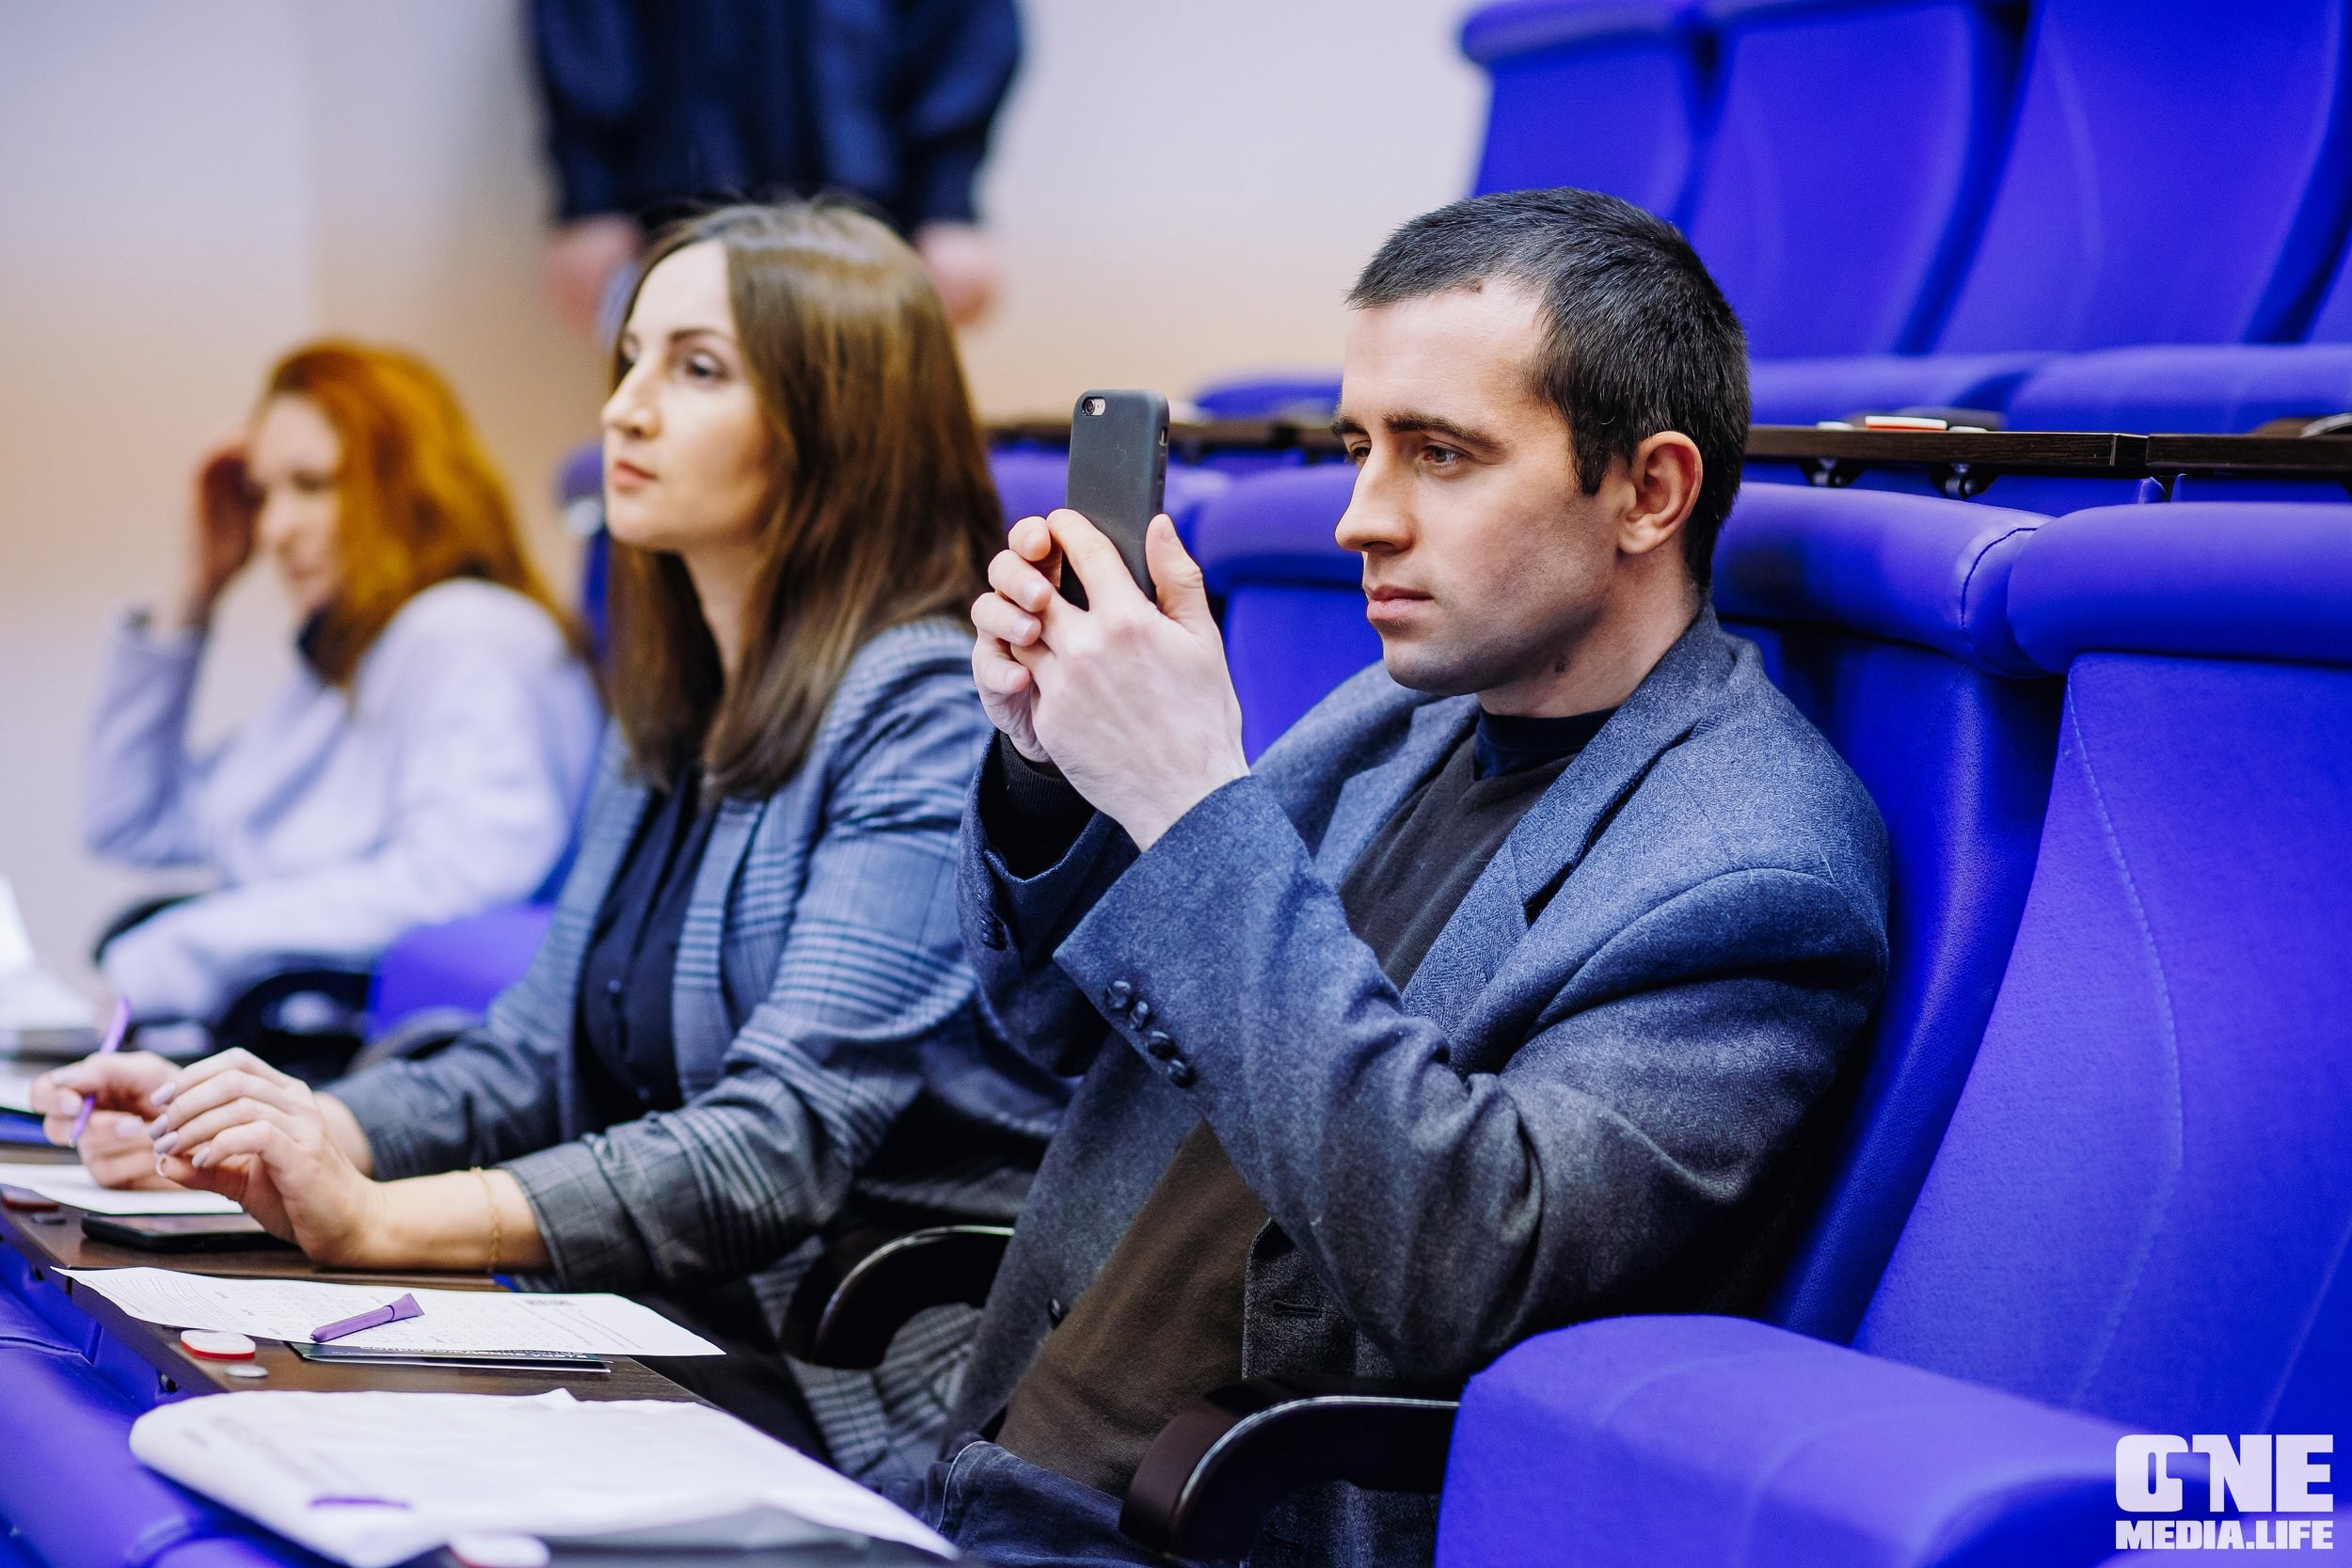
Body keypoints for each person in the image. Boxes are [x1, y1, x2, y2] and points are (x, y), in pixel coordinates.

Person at [926, 188, 1892, 1565]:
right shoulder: (1398, 714)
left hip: (1200, 1530)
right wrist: (1050, 771)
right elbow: (1045, 1035)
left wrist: (1191, 800)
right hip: (987, 1471)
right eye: (1358, 447)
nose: (1359, 519)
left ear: (1649, 490)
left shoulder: (1758, 868)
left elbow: (1469, 1261)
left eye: (1440, 453)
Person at [40, 201, 1070, 1490]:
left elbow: (775, 1140)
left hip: (860, 1381)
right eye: (628, 359)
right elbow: (526, 1056)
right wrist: (281, 1125)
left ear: (838, 420)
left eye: (694, 369)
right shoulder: (677, 707)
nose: (625, 410)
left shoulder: (926, 712)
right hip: (668, 1311)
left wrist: (376, 1217)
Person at [84, 342, 601, 1030]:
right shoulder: (357, 651)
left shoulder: (469, 635)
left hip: (362, 1074)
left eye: (312, 485)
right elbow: (130, 820)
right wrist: (193, 594)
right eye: (263, 495)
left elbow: (462, 879)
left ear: (407, 481)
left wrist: (181, 948)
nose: (273, 529)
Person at [532, 0, 1022, 336]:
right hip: (673, 198)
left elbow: (967, 21)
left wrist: (947, 198)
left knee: (864, 432)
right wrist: (590, 193)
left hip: (873, 201)